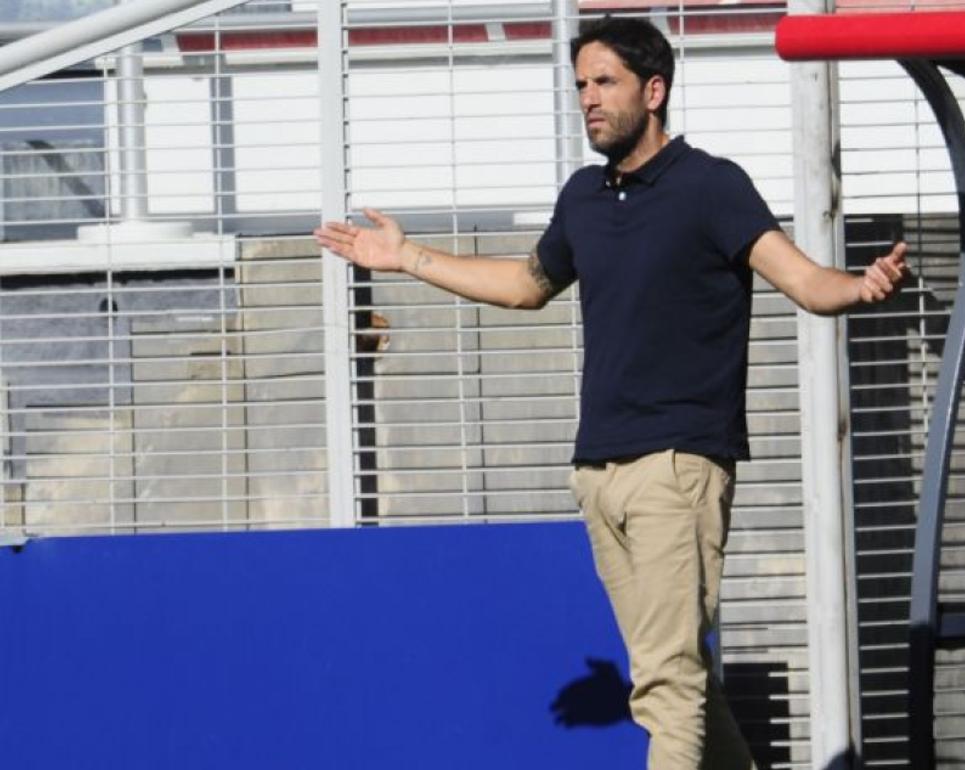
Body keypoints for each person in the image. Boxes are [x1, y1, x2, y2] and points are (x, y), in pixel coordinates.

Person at [315, 16, 907, 770]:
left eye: (605, 82)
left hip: (678, 466)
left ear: (653, 90)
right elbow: (527, 286)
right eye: (581, 85)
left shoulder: (711, 186)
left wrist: (860, 287)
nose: (588, 99)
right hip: (598, 473)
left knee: (667, 682)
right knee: (671, 681)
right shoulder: (583, 198)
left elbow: (802, 280)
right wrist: (406, 258)